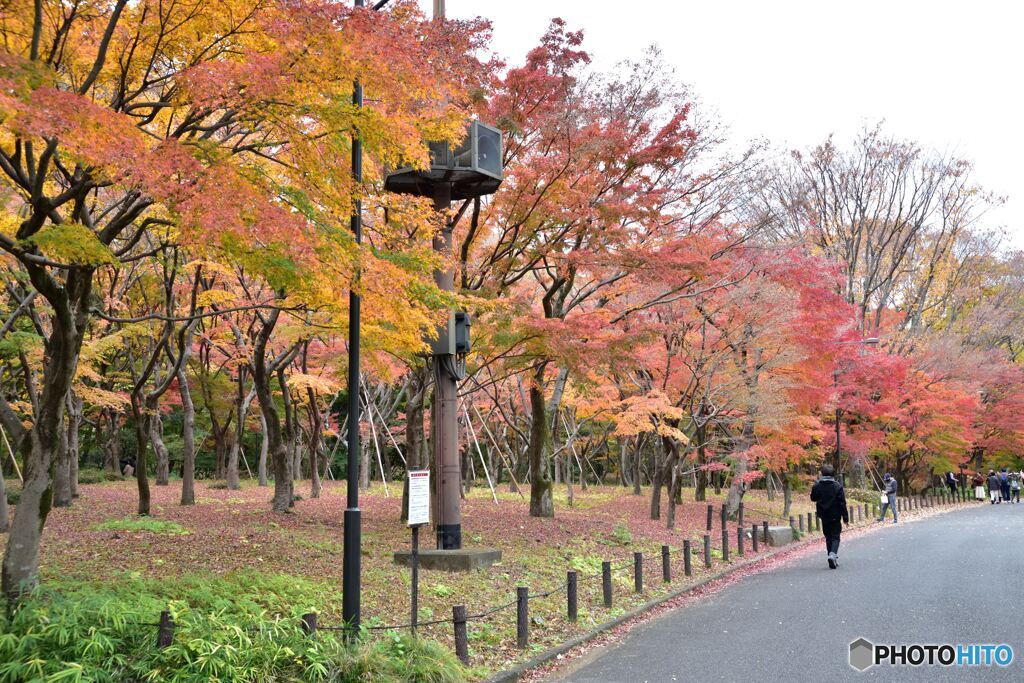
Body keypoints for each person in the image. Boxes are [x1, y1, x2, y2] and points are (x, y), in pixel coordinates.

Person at [810, 464, 849, 569]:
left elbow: (813, 498)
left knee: (828, 537)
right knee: (835, 537)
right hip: (835, 515)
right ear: (833, 474)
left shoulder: (817, 486)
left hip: (823, 515)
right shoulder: (837, 486)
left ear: (822, 474)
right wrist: (845, 518)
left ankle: (831, 556)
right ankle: (833, 555)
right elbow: (842, 503)